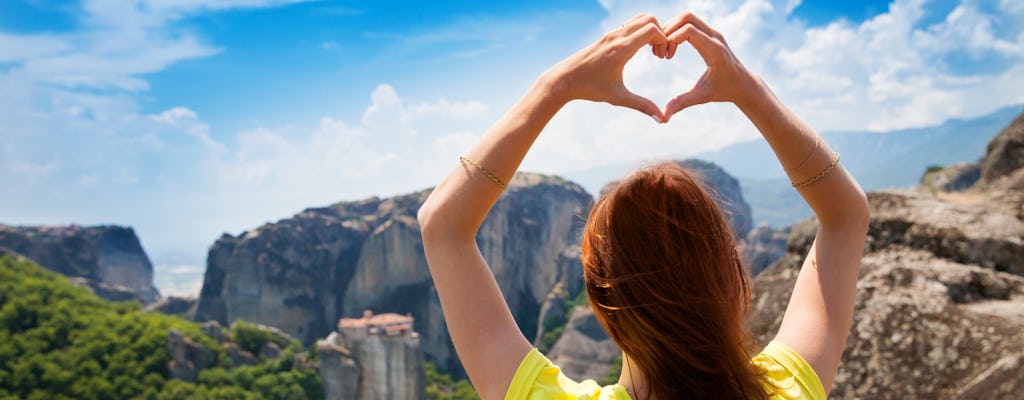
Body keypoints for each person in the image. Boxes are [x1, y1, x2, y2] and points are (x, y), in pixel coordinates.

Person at [417, 11, 869, 400]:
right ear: (736, 280)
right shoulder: (788, 388)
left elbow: (443, 226)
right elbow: (846, 215)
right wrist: (751, 91)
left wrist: (555, 86)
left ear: (598, 295)